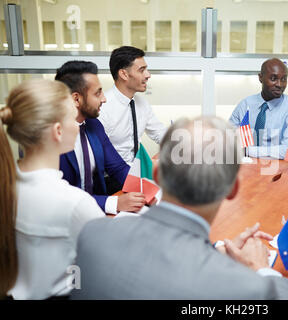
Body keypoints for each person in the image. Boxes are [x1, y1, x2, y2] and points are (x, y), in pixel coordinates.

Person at [71, 117, 288, 299]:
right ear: (232, 189)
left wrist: (215, 252)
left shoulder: (92, 233)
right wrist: (260, 268)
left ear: (157, 176)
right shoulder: (243, 288)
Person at [0, 79, 104, 299]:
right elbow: (103, 269)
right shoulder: (74, 203)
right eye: (73, 118)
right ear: (58, 131)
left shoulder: (6, 186)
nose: (78, 124)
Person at [55, 60, 146, 214]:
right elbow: (62, 195)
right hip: (67, 218)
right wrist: (114, 202)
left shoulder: (93, 125)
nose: (104, 99)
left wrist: (149, 190)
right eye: (97, 93)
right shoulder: (53, 136)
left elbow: (118, 168)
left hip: (96, 213)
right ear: (76, 99)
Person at [99, 46, 166, 168]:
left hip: (135, 175)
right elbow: (102, 155)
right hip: (112, 178)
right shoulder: (103, 108)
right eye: (141, 70)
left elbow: (160, 133)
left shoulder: (141, 103)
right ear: (124, 74)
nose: (148, 75)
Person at [229, 58, 288, 159]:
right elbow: (228, 136)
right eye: (273, 78)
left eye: (283, 79)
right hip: (245, 165)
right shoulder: (245, 104)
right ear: (260, 78)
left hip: (275, 168)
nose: (279, 84)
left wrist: (248, 150)